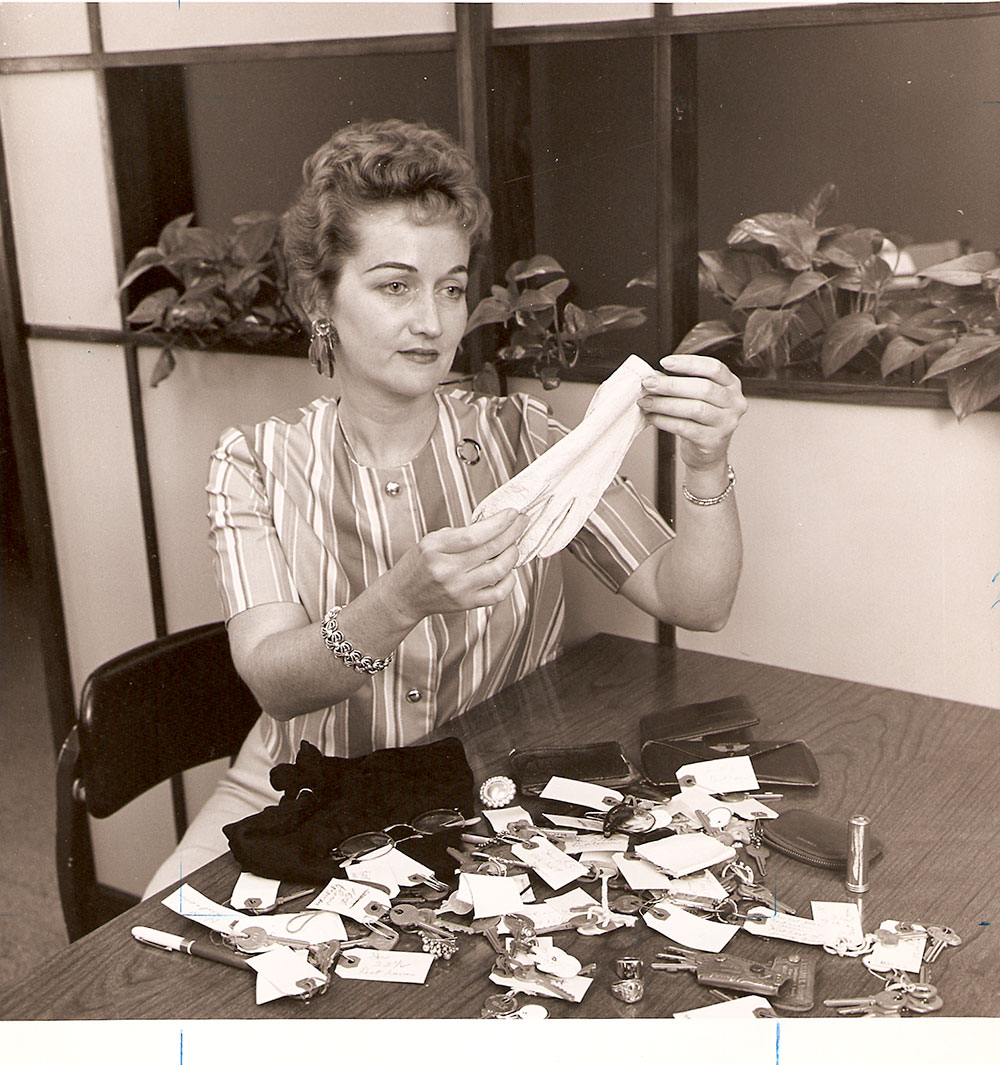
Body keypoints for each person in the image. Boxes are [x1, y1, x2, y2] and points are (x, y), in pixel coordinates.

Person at [143, 118, 747, 897]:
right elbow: (274, 683)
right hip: (303, 788)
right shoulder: (254, 461)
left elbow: (694, 599)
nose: (433, 321)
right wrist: (398, 602)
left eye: (452, 287)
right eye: (395, 285)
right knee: (164, 947)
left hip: (486, 800)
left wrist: (707, 461)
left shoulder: (523, 436)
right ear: (316, 296)